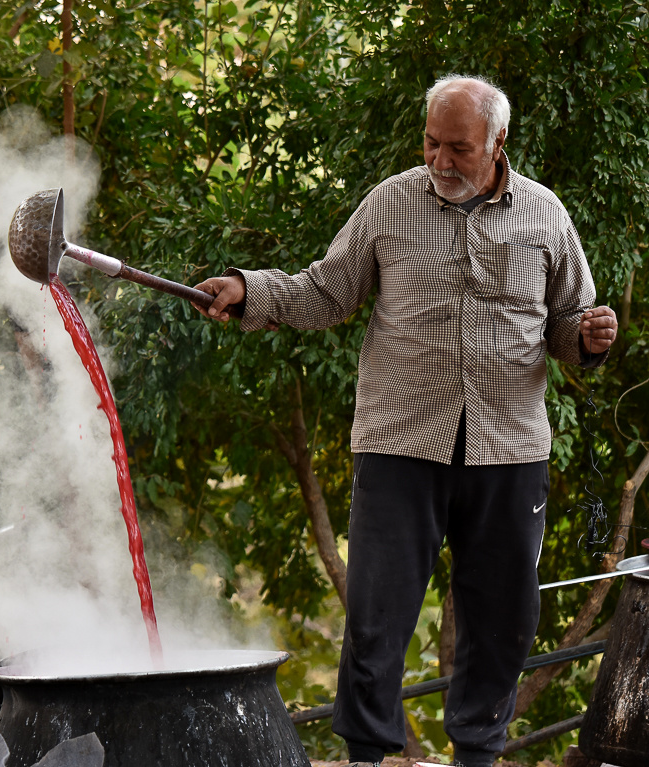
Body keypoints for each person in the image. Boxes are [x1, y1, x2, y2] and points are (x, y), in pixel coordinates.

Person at [192, 75, 618, 767]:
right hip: (399, 442)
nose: (441, 161)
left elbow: (571, 322)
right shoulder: (390, 203)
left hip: (508, 449)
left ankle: (478, 755)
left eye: (459, 148)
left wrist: (590, 338)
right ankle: (367, 756)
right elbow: (325, 289)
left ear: (498, 143)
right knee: (375, 615)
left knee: (503, 619)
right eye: (431, 143)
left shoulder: (545, 215)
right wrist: (250, 290)